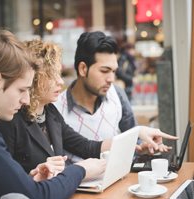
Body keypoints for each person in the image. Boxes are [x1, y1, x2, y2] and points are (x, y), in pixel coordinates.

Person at [0, 30, 106, 199]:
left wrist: (29, 180)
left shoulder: (51, 112)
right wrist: (81, 170)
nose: (26, 99)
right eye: (22, 89)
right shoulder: (7, 122)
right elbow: (31, 194)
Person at [54, 31, 178, 162]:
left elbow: (135, 140)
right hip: (79, 182)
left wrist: (144, 148)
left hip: (120, 179)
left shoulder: (116, 94)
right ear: (83, 69)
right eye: (104, 71)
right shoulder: (56, 108)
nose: (111, 79)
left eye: (114, 71)